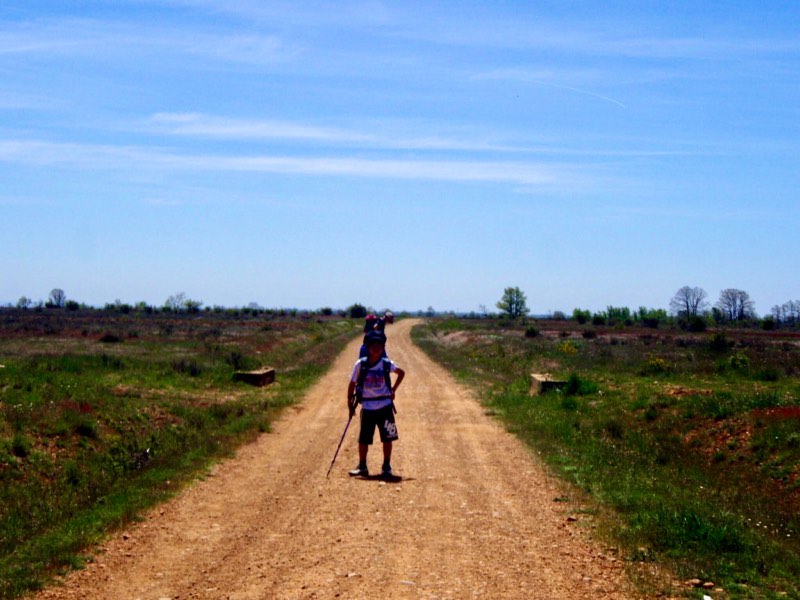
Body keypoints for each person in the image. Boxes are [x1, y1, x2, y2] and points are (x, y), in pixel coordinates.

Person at [347, 330, 405, 477]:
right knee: (364, 439)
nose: (376, 348)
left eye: (379, 345)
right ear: (367, 346)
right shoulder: (360, 364)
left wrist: (393, 390)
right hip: (367, 408)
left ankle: (386, 466)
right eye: (373, 345)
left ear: (383, 347)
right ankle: (362, 466)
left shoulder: (387, 364)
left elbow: (401, 373)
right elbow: (352, 383)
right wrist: (349, 403)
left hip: (385, 407)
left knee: (388, 438)